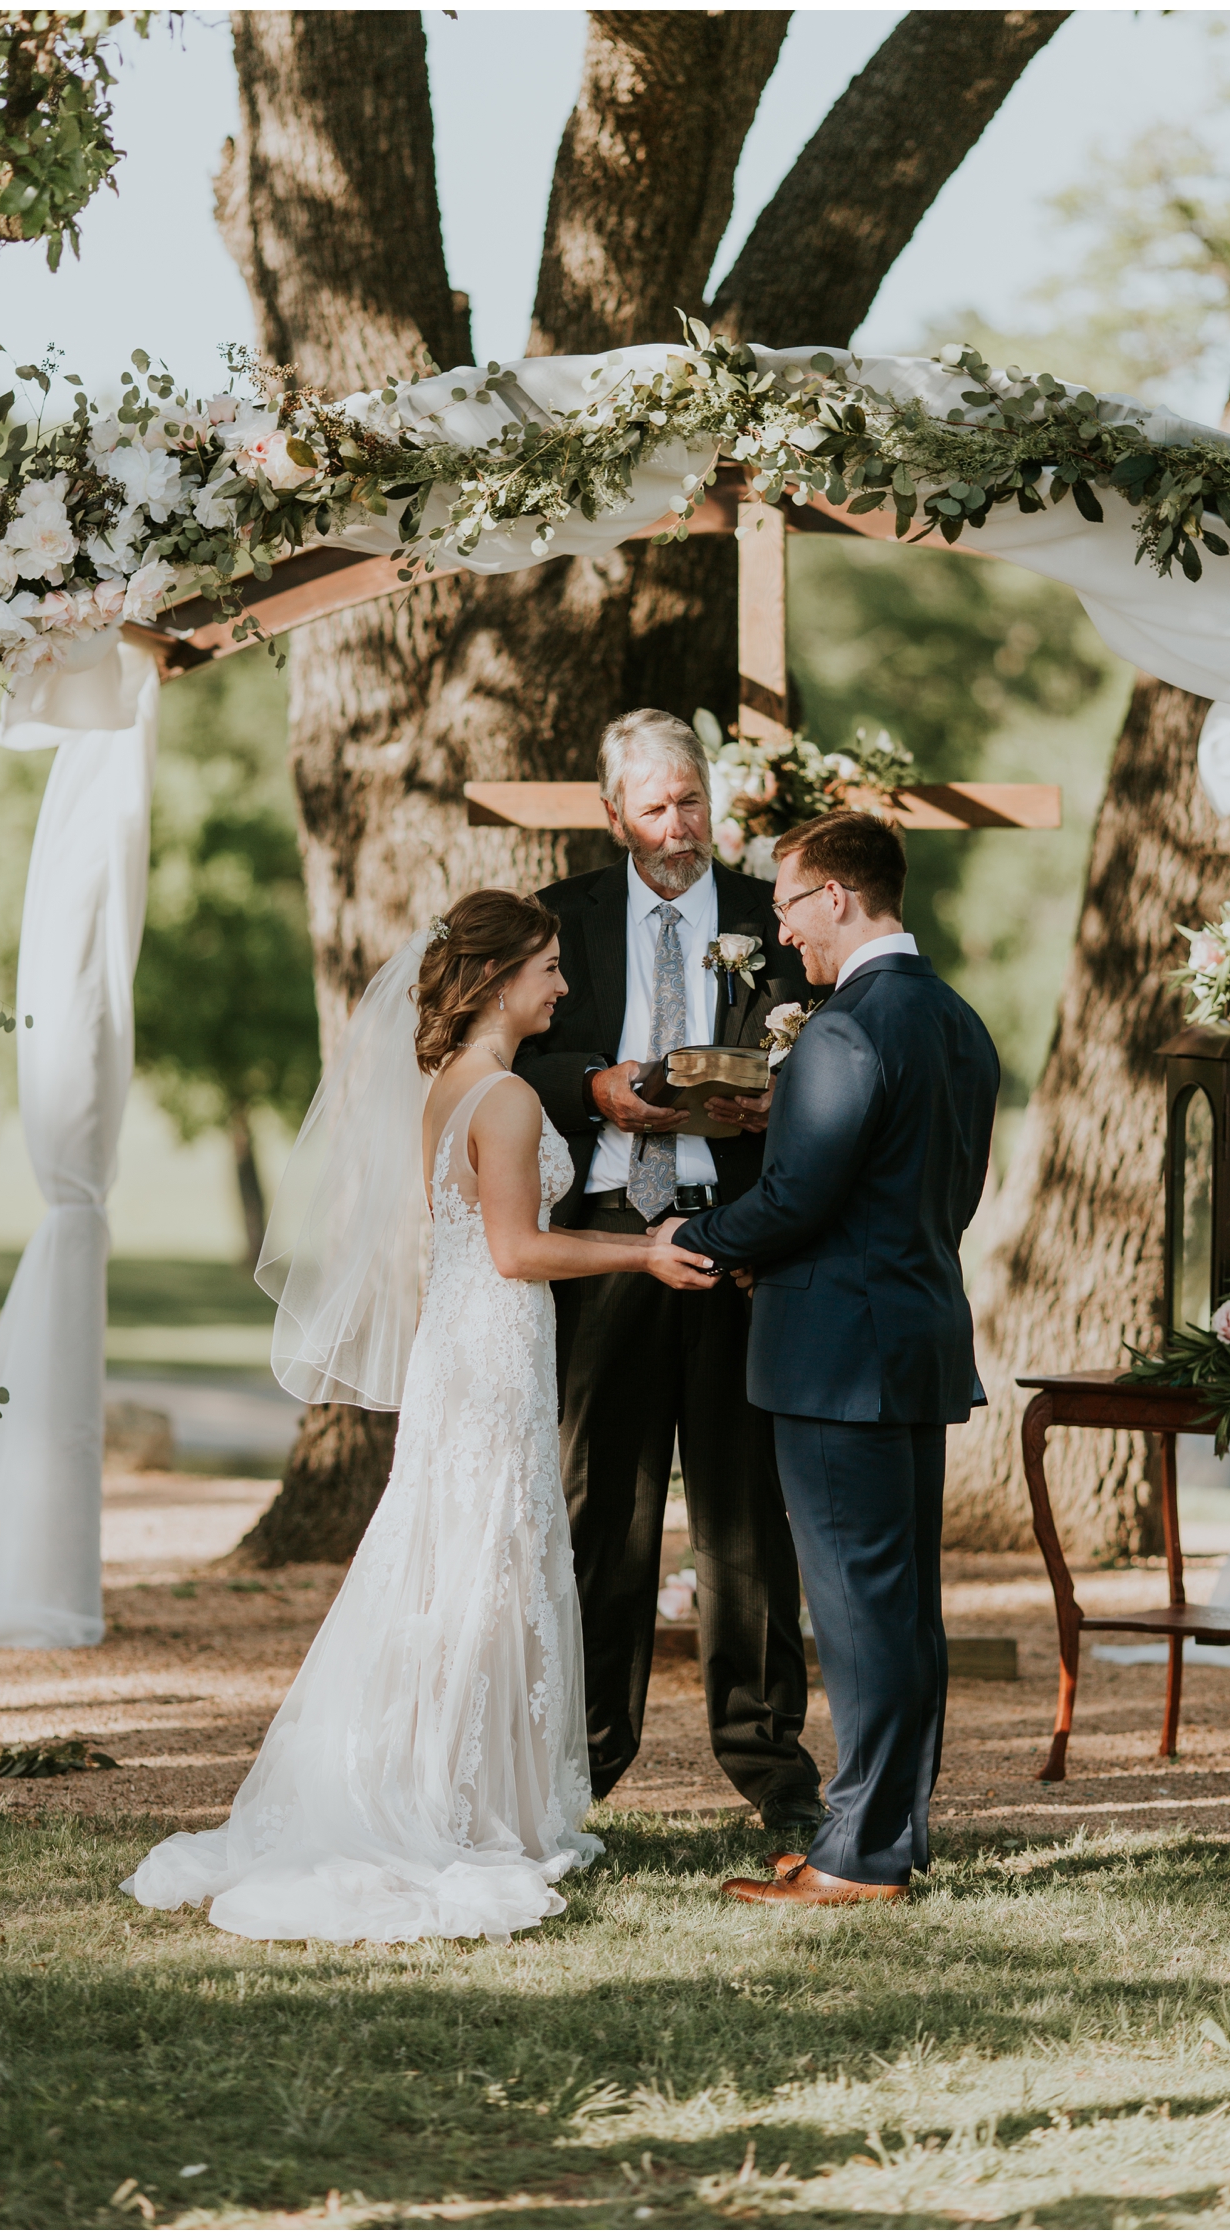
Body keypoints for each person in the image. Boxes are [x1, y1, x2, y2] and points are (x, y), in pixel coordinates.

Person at [125, 890, 716, 1945]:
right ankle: (451, 1801)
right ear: (496, 980)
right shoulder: (506, 1100)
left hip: (473, 1342)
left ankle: (466, 1786)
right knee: (480, 1562)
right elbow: (517, 1250)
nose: (566, 985)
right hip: (490, 1347)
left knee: (457, 1559)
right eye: (547, 968)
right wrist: (646, 1249)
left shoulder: (450, 1084)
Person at [663, 811, 1000, 1905]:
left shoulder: (848, 1029)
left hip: (837, 1356)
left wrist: (695, 1240)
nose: (783, 930)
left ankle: (860, 1855)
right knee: (900, 1607)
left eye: (790, 905)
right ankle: (884, 1833)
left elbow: (798, 1196)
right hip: (909, 1333)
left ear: (841, 898)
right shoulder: (958, 1023)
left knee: (859, 1607)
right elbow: (938, 1193)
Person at [514, 709, 824, 1829]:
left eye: (691, 799)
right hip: (605, 1238)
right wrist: (595, 1086)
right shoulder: (562, 916)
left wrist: (777, 1102)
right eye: (655, 806)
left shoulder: (767, 916)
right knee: (604, 1504)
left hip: (737, 1234)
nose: (679, 824)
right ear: (615, 814)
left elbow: (830, 1053)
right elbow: (511, 1052)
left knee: (748, 1510)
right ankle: (584, 1761)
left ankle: (774, 1768)